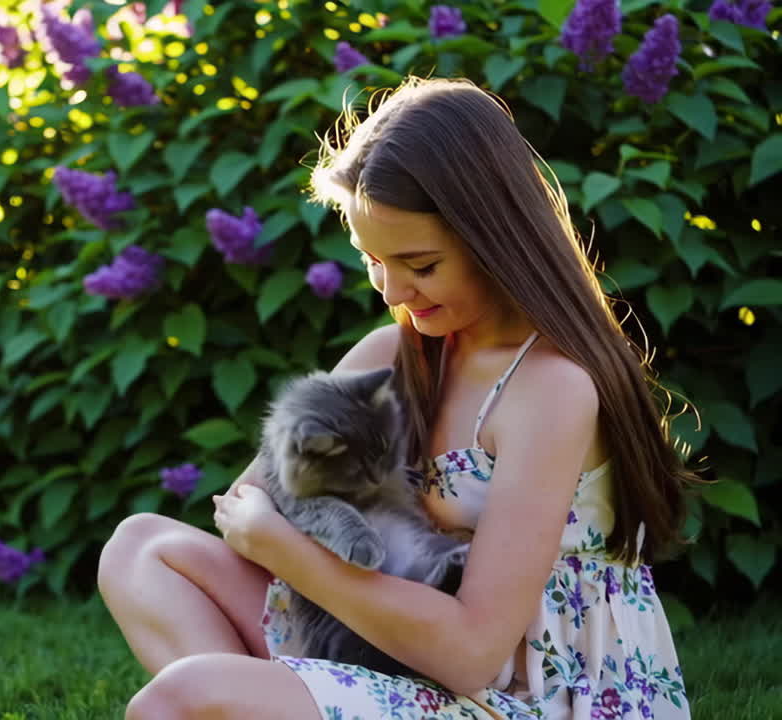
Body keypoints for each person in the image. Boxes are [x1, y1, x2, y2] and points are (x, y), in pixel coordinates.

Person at [97, 76, 696, 720]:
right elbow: (250, 504)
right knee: (141, 549)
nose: (392, 292)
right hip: (388, 645)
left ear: (493, 236)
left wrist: (285, 547)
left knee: (187, 696)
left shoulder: (551, 387)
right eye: (372, 260)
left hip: (523, 690)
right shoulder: (395, 355)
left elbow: (472, 651)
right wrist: (289, 525)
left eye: (421, 264)